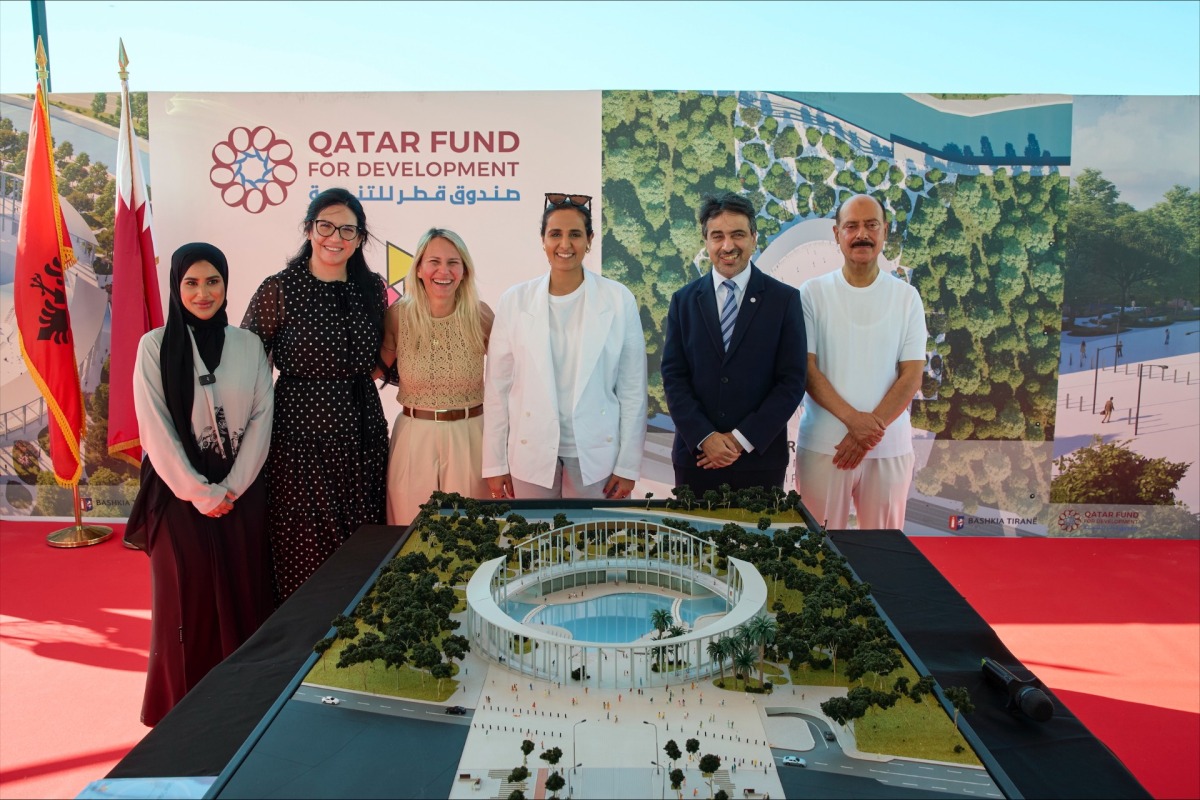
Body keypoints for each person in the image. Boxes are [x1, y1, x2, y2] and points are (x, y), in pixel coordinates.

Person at [128, 242, 274, 726]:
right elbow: (154, 428)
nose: (203, 292)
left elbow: (262, 417)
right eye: (191, 282)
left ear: (226, 285)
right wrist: (199, 492)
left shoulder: (248, 345)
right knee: (184, 604)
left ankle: (243, 706)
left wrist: (232, 486)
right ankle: (181, 713)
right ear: (176, 287)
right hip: (177, 497)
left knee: (243, 594)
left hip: (241, 495)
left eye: (213, 281)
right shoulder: (154, 346)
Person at [242, 187, 388, 603]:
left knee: (363, 548)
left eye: (347, 230)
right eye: (325, 226)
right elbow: (248, 363)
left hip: (363, 438)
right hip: (298, 440)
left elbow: (386, 354)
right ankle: (302, 637)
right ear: (309, 229)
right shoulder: (279, 289)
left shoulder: (372, 288)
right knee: (303, 549)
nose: (335, 238)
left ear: (359, 238)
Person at [483, 192, 647, 499]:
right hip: (529, 450)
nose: (565, 244)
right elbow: (497, 389)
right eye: (555, 234)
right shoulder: (515, 301)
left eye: (575, 234)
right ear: (543, 240)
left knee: (592, 531)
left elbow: (632, 390)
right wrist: (495, 464)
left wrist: (628, 466)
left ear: (589, 240)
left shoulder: (618, 298)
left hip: (597, 453)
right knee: (533, 530)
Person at [795, 194, 927, 530]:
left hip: (889, 448)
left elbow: (911, 376)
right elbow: (806, 369)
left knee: (883, 553)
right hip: (825, 446)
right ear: (836, 233)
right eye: (852, 226)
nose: (862, 234)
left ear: (885, 231)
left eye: (871, 225)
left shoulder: (907, 297)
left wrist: (867, 432)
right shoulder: (812, 293)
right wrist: (854, 422)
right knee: (820, 551)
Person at [660, 191, 806, 493]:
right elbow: (674, 378)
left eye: (738, 234)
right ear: (706, 242)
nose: (728, 246)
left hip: (760, 461)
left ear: (754, 238)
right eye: (718, 236)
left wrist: (740, 439)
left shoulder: (784, 300)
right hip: (697, 459)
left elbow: (792, 381)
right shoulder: (683, 301)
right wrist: (705, 437)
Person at [380, 228, 494, 524]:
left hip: (470, 435)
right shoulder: (397, 316)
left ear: (464, 270)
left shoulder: (481, 316)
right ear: (419, 268)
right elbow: (375, 371)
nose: (444, 271)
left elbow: (509, 377)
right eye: (434, 262)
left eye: (453, 262)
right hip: (414, 435)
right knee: (411, 529)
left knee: (469, 532)